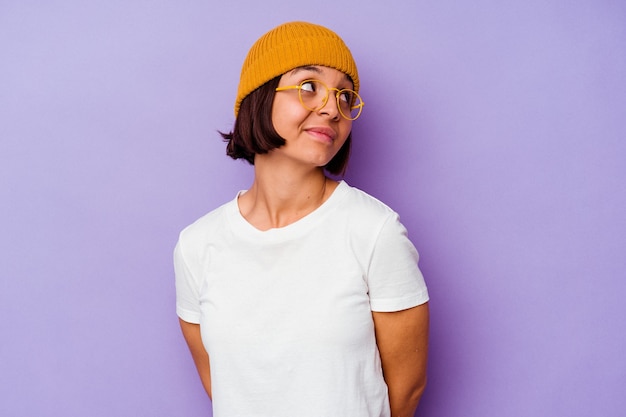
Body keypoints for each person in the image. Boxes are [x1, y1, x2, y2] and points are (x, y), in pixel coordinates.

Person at [174, 21, 429, 417]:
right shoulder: (196, 245)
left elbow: (406, 390)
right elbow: (224, 385)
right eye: (309, 86)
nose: (332, 108)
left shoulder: (374, 232)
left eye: (345, 97)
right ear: (260, 97)